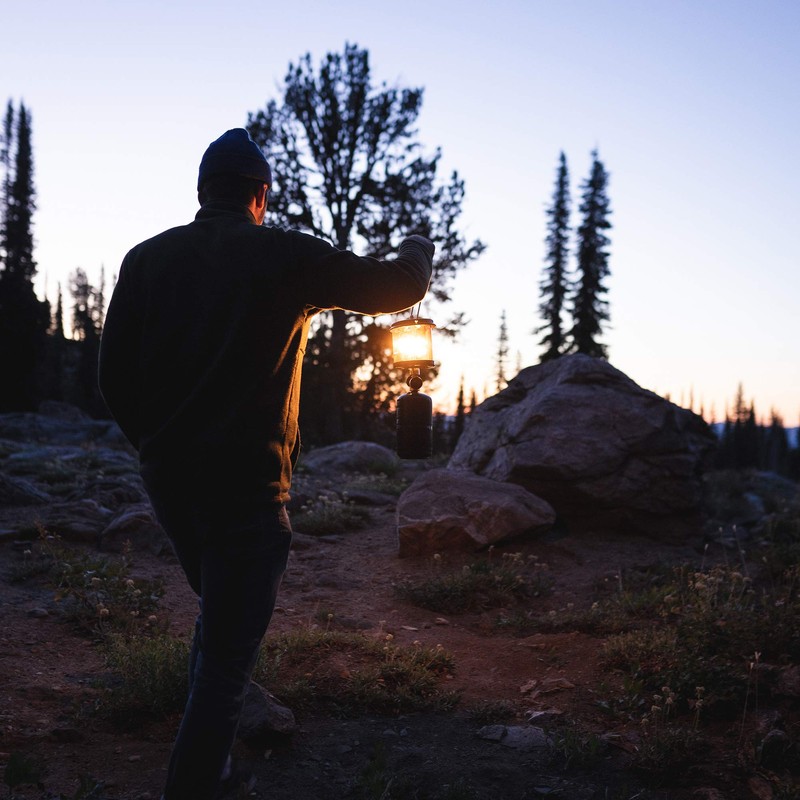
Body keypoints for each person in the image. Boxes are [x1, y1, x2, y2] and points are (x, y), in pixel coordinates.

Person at [98, 128, 434, 800]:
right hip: (248, 492)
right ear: (261, 195)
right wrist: (419, 248)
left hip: (170, 486)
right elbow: (395, 286)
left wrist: (156, 447)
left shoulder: (145, 260)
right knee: (227, 654)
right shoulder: (280, 254)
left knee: (219, 622)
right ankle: (199, 786)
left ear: (202, 193)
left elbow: (111, 379)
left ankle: (215, 769)